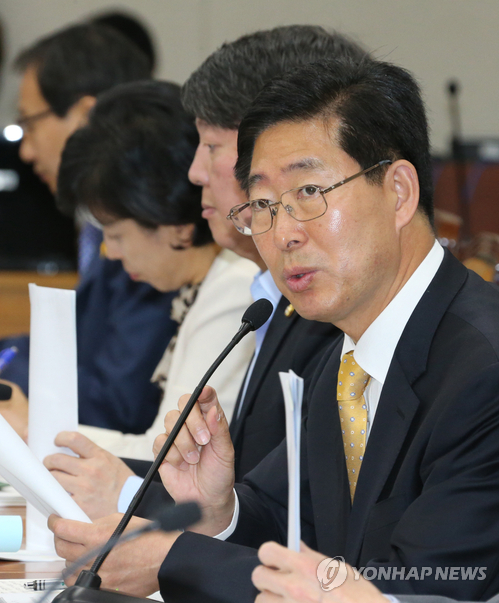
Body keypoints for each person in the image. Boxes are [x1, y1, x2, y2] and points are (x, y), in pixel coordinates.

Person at [145, 57, 499, 602]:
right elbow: (287, 516)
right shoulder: (345, 354)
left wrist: (176, 561)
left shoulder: (484, 372)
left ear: (399, 191)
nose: (282, 233)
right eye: (263, 204)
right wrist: (219, 509)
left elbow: (424, 585)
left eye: (308, 193)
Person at [43, 26, 356, 518]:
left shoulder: (280, 293)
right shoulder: (270, 292)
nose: (194, 172)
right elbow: (261, 502)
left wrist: (62, 449)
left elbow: (286, 510)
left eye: (210, 146)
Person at [0, 23, 177, 434]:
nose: (25, 151)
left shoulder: (154, 220)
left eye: (30, 123)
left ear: (84, 115)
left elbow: (119, 401)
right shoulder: (100, 227)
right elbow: (70, 348)